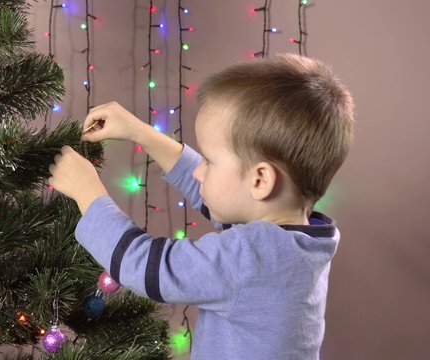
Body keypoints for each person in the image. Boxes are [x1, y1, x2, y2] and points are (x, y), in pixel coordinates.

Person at [48, 53, 354, 359]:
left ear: (260, 180)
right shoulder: (297, 240)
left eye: (209, 160)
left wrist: (87, 192)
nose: (199, 170)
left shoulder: (253, 259)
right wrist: (140, 132)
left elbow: (147, 266)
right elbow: (216, 193)